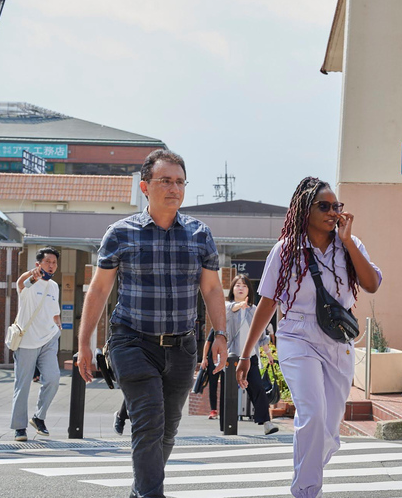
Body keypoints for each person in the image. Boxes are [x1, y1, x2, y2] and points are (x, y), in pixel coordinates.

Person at [77, 149, 228, 498]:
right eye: (165, 181)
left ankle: (141, 490)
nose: (173, 188)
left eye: (179, 182)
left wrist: (219, 335)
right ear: (145, 187)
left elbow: (212, 288)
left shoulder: (199, 234)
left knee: (168, 429)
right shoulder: (120, 233)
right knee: (149, 425)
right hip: (132, 341)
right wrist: (84, 342)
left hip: (182, 345)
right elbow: (99, 290)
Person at [236, 177, 381, 498]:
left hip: (338, 341)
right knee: (312, 415)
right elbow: (267, 303)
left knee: (329, 428)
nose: (333, 212)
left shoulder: (349, 245)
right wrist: (247, 354)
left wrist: (350, 242)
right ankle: (305, 491)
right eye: (324, 206)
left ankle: (309, 467)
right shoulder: (286, 250)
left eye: (336, 207)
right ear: (305, 210)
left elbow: (371, 283)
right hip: (296, 337)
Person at [10, 247, 62, 442]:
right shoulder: (29, 283)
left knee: (53, 379)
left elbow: (54, 312)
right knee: (22, 386)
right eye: (47, 261)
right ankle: (19, 427)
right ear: (38, 264)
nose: (51, 265)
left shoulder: (54, 286)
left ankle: (38, 417)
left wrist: (58, 327)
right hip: (27, 341)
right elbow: (20, 283)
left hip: (48, 339)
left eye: (54, 262)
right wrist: (31, 274)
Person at [222, 274, 278, 435]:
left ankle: (266, 422)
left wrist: (268, 354)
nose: (241, 288)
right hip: (232, 356)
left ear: (249, 290)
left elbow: (261, 336)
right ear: (232, 289)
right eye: (238, 285)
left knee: (258, 388)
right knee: (229, 392)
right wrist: (241, 305)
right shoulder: (228, 306)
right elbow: (231, 309)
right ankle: (225, 424)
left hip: (250, 357)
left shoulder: (254, 310)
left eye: (244, 286)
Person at [202, 327, 222, 420]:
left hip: (227, 359)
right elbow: (208, 342)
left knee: (227, 387)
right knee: (213, 385)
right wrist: (204, 358)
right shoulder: (215, 327)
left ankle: (224, 410)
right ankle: (213, 410)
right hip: (213, 360)